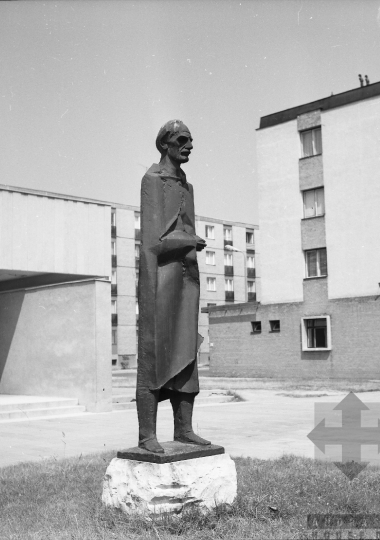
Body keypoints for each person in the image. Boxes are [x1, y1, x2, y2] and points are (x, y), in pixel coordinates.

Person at [136, 119, 211, 454]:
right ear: (164, 144)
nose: (189, 145)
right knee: (155, 355)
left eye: (191, 140)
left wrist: (191, 244)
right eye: (182, 139)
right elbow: (154, 242)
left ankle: (184, 429)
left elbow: (185, 231)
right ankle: (146, 435)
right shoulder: (153, 181)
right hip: (160, 280)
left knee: (186, 353)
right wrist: (190, 240)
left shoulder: (186, 187)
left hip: (186, 280)